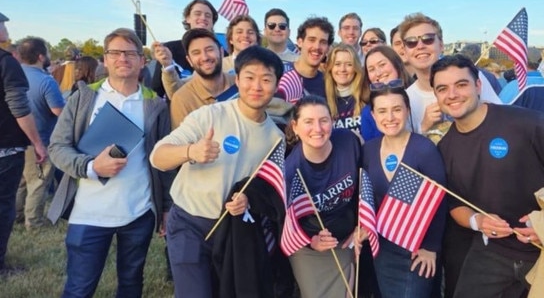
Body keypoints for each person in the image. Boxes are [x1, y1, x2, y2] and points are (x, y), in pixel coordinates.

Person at [431, 55, 544, 297]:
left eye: (461, 84)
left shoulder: (525, 123)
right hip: (491, 253)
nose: (452, 94)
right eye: (442, 89)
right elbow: (455, 203)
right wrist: (477, 221)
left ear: (478, 86)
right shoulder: (445, 147)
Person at [47, 28, 173, 297]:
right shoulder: (83, 98)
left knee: (131, 285)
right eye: (115, 52)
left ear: (143, 60)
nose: (122, 58)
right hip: (88, 213)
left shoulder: (156, 105)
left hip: (137, 212)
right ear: (105, 59)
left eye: (130, 53)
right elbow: (57, 147)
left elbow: (163, 161)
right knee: (79, 288)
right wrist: (91, 167)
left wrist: (165, 207)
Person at [150, 46, 284, 298]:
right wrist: (190, 151)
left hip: (233, 231)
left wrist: (249, 199)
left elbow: (265, 189)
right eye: (249, 77)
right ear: (238, 79)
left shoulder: (275, 138)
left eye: (266, 79)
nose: (257, 86)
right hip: (190, 222)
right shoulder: (209, 115)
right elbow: (158, 156)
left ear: (276, 85)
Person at [359, 82, 447, 297]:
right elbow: (366, 195)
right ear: (373, 115)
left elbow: (440, 201)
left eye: (397, 109)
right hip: (383, 248)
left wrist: (431, 247)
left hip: (417, 250)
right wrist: (362, 225)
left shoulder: (424, 149)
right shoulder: (369, 150)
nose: (390, 117)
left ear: (407, 111)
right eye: (382, 111)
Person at [283, 95, 360, 298]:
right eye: (308, 122)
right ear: (295, 127)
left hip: (345, 239)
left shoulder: (349, 142)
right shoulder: (290, 171)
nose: (318, 129)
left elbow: (365, 187)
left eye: (324, 120)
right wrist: (311, 241)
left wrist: (362, 224)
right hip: (309, 247)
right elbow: (288, 223)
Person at [399, 13, 501, 135]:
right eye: (411, 42)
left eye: (428, 39)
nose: (420, 46)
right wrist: (424, 127)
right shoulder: (405, 99)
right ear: (404, 51)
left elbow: (500, 120)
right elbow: (405, 148)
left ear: (441, 45)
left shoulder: (470, 76)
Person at [0, 12, 47, 275]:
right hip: (5, 147)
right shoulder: (6, 62)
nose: (5, 28)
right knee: (3, 205)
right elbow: (19, 107)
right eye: (2, 24)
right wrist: (37, 143)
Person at [15, 38, 65, 230]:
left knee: (21, 182)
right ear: (41, 56)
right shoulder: (46, 81)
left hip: (16, 139)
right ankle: (34, 222)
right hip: (40, 140)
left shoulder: (13, 74)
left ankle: (16, 215)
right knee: (38, 182)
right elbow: (58, 111)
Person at [151, 0, 219, 98]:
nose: (203, 18)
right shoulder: (169, 49)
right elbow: (157, 91)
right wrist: (167, 65)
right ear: (187, 18)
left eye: (208, 15)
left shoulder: (221, 53)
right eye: (197, 14)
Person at [169, 28, 235, 129]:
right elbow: (182, 142)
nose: (205, 57)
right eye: (196, 53)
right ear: (189, 60)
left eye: (209, 50)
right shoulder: (182, 99)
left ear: (221, 52)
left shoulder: (241, 84)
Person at [360, 46, 413, 142]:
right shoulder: (368, 112)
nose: (378, 73)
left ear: (396, 64)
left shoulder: (416, 94)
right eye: (371, 69)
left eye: (382, 65)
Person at [276, 16, 334, 102]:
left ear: (328, 48)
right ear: (300, 42)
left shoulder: (328, 84)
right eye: (311, 40)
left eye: (323, 42)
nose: (317, 47)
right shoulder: (279, 75)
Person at [498, 49, 544, 123]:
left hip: (518, 133)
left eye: (516, 62)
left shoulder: (515, 86)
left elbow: (497, 113)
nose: (514, 65)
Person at [324, 43, 364, 134]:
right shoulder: (323, 99)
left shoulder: (366, 96)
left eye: (349, 64)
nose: (342, 69)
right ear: (330, 68)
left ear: (355, 68)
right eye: (337, 64)